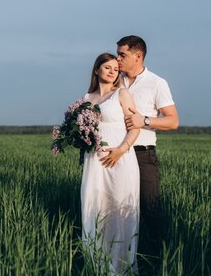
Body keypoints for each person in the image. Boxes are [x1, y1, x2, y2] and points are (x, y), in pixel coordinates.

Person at [101, 35, 179, 272]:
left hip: (143, 155)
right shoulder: (116, 80)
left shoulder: (157, 83)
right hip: (117, 155)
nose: (118, 59)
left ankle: (161, 261)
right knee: (116, 209)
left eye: (122, 54)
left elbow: (173, 121)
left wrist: (143, 119)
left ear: (138, 55)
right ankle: (117, 259)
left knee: (150, 209)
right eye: (117, 54)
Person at [81, 53, 142, 276]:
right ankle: (98, 265)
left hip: (121, 158)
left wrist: (121, 150)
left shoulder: (122, 94)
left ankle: (122, 267)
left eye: (115, 69)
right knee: (97, 207)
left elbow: (135, 127)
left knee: (120, 210)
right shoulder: (87, 98)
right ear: (96, 70)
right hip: (95, 161)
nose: (112, 71)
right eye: (107, 67)